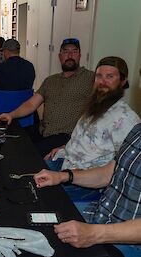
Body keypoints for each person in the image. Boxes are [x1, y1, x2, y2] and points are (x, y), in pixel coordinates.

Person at [33, 122, 141, 257]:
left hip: (127, 244)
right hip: (96, 215)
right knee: (37, 216)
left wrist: (95, 234)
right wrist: (63, 176)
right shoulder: (137, 131)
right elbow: (108, 173)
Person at [44, 56, 140, 201]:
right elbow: (89, 139)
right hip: (65, 161)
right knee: (25, 171)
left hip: (84, 183)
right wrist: (65, 147)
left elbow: (123, 166)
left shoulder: (125, 119)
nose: (102, 82)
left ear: (123, 81)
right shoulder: (97, 104)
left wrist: (64, 176)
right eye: (99, 76)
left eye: (110, 77)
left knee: (41, 199)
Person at [0, 38, 94, 157]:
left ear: (80, 55)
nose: (70, 55)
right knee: (9, 141)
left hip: (67, 136)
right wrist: (11, 115)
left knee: (24, 155)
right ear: (60, 56)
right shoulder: (50, 81)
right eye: (66, 51)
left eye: (74, 51)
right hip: (43, 132)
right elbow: (31, 104)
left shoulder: (90, 78)